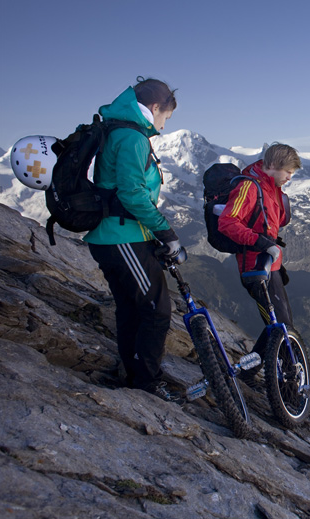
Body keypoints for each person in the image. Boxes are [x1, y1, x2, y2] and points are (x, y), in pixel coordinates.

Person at [84, 77, 185, 403]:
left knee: (132, 310)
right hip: (122, 237)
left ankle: (134, 375)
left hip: (114, 236)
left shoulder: (121, 129)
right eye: (166, 117)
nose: (164, 125)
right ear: (156, 107)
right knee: (156, 311)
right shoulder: (132, 137)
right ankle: (146, 385)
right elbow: (132, 193)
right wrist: (164, 231)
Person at [217, 143, 301, 386]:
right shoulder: (249, 186)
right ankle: (287, 385)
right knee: (280, 328)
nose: (289, 177)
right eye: (288, 172)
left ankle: (245, 374)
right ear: (273, 166)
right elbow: (228, 223)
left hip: (270, 268)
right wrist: (262, 243)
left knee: (280, 327)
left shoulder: (270, 185)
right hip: (256, 270)